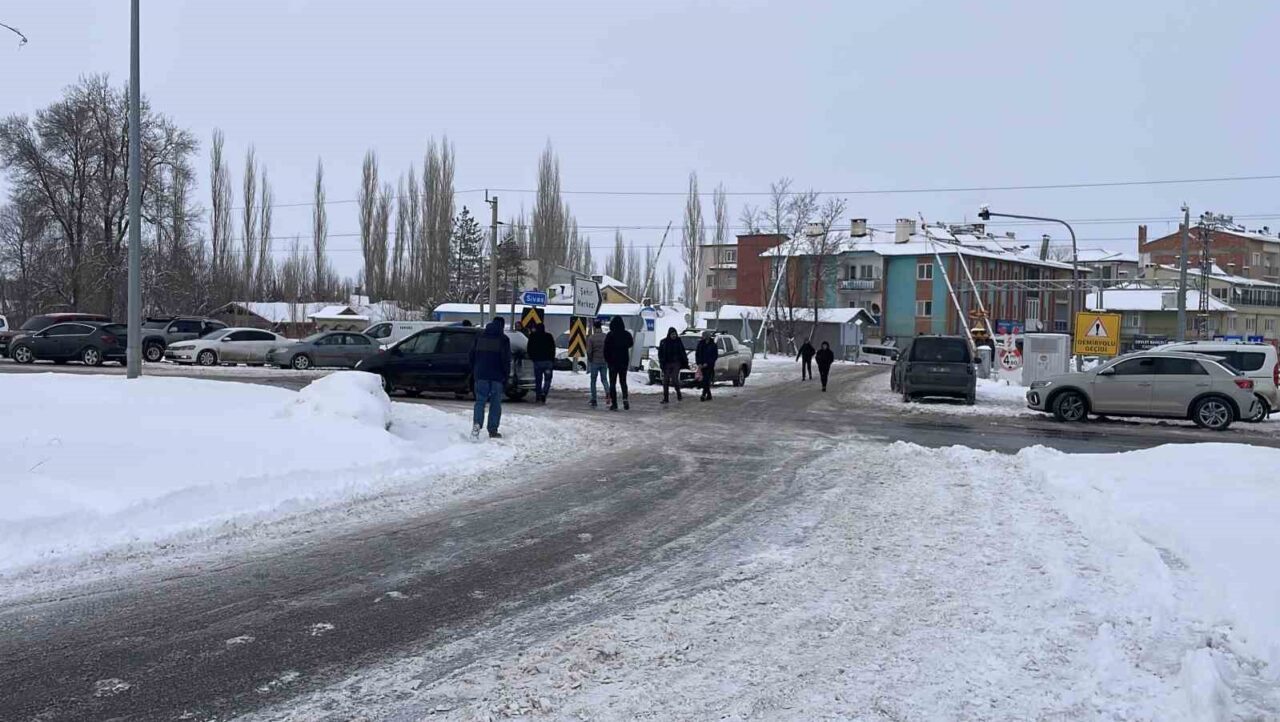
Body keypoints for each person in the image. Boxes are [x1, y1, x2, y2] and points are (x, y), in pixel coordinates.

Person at [468, 317, 511, 439]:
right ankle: (492, 430)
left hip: (481, 375)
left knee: (480, 401)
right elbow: (506, 360)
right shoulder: (503, 339)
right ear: (502, 326)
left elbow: (471, 355)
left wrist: (475, 370)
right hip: (497, 377)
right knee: (495, 404)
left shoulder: (479, 337)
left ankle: (477, 424)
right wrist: (506, 376)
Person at [603, 316, 633, 411]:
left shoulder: (610, 335)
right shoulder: (626, 334)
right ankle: (625, 399)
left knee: (613, 383)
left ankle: (614, 403)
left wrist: (608, 359)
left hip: (612, 363)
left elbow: (605, 349)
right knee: (623, 381)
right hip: (623, 362)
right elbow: (630, 344)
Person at [657, 327, 688, 404]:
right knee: (665, 381)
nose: (674, 336)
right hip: (666, 364)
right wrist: (661, 363)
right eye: (672, 334)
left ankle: (678, 394)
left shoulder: (678, 341)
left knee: (674, 379)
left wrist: (685, 362)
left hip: (676, 363)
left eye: (675, 334)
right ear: (669, 334)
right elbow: (660, 354)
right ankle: (666, 398)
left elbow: (682, 352)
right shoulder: (664, 342)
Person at [526, 322, 556, 403]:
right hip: (548, 362)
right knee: (547, 379)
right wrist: (552, 359)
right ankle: (544, 393)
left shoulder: (533, 336)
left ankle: (538, 396)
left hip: (537, 362)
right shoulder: (549, 336)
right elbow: (553, 348)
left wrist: (532, 358)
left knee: (538, 380)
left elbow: (529, 348)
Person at [586, 319, 609, 408]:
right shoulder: (605, 337)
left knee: (593, 380)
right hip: (604, 361)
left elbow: (589, 351)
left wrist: (590, 359)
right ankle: (608, 393)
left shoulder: (592, 338)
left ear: (594, 327)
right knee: (604, 379)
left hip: (595, 362)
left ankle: (594, 399)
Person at [695, 330, 719, 401]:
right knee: (704, 381)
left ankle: (703, 395)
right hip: (701, 365)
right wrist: (699, 363)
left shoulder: (713, 345)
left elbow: (714, 356)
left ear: (708, 336)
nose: (703, 337)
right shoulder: (700, 344)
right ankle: (709, 395)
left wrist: (708, 363)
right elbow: (697, 354)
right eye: (702, 336)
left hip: (709, 366)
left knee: (706, 380)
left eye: (704, 336)